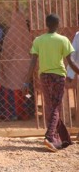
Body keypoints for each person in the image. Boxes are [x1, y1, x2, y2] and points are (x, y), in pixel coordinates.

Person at [22, 13, 79, 152]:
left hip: (45, 76)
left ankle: (63, 138)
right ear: (58, 24)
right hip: (58, 76)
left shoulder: (38, 40)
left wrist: (26, 82)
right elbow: (71, 61)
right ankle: (49, 136)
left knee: (50, 106)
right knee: (55, 107)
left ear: (46, 25)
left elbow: (33, 62)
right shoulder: (63, 40)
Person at [0, 12, 35, 121]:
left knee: (11, 88)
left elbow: (6, 51)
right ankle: (26, 111)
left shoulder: (10, 34)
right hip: (26, 65)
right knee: (26, 89)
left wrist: (3, 63)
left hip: (11, 66)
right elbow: (31, 49)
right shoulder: (27, 33)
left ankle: (12, 113)